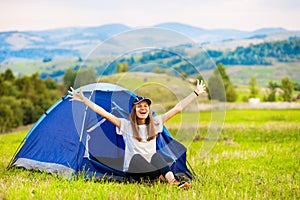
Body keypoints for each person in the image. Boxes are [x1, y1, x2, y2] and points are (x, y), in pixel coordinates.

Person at [69, 80, 206, 189]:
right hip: (134, 169)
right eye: (139, 106)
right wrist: (84, 100)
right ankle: (160, 177)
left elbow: (178, 108)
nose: (143, 108)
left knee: (156, 156)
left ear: (149, 110)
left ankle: (173, 181)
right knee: (137, 157)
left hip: (152, 167)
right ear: (134, 110)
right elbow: (103, 113)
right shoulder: (126, 125)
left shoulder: (156, 123)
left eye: (146, 106)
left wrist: (196, 93)